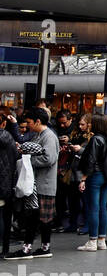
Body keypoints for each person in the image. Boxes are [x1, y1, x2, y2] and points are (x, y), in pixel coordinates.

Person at [16, 109, 59, 258]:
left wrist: (29, 161)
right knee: (36, 217)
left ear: (38, 122)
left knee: (41, 218)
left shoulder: (48, 137)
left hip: (44, 184)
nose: (27, 125)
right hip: (38, 184)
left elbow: (49, 159)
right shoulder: (39, 135)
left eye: (29, 122)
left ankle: (38, 248)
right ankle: (40, 247)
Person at [75, 114, 107, 251]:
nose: (90, 125)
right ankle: (101, 240)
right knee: (102, 208)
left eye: (92, 123)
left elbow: (90, 160)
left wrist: (83, 178)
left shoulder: (96, 139)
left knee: (93, 208)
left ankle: (92, 240)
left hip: (95, 175)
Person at [0, 120, 17, 260]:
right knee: (5, 217)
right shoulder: (9, 138)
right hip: (7, 182)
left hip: (2, 183)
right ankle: (5, 248)